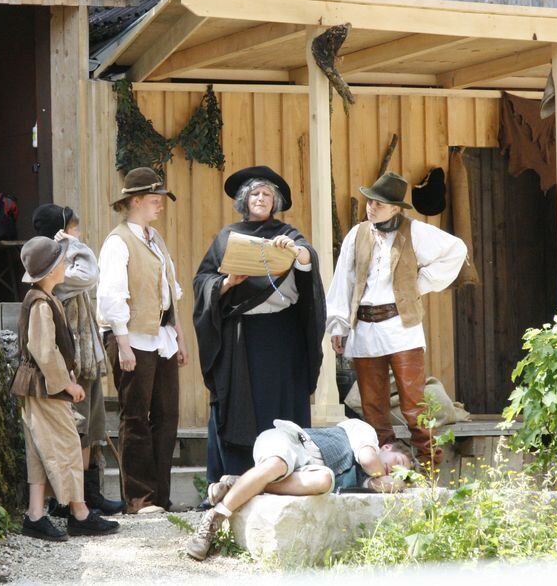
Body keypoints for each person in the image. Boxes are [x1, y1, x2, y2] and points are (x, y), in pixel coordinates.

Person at [193, 166, 326, 487]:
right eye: (255, 193)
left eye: (267, 194)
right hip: (241, 339)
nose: (261, 198)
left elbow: (308, 259)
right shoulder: (227, 237)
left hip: (282, 337)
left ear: (275, 201)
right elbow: (202, 281)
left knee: (280, 406)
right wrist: (227, 283)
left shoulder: (288, 234)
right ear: (244, 200)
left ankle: (283, 476)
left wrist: (296, 251)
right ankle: (234, 479)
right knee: (238, 407)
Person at [326, 172, 467, 467]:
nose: (371, 207)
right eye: (370, 201)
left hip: (401, 327)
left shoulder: (415, 231)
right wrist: (338, 325)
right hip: (364, 328)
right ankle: (386, 467)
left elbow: (456, 250)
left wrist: (420, 283)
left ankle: (429, 467)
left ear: (395, 208)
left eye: (379, 203)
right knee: (373, 407)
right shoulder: (357, 234)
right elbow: (343, 280)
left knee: (414, 404)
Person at [11, 236, 120, 541]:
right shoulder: (41, 303)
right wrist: (68, 386)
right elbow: (44, 351)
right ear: (48, 272)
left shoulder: (45, 298)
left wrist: (67, 380)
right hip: (45, 388)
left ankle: (35, 514)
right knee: (68, 446)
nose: (65, 264)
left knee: (39, 451)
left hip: (38, 387)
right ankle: (80, 514)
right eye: (60, 261)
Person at [186, 417, 413, 561]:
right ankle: (215, 517)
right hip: (289, 441)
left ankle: (239, 484)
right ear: (387, 446)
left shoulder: (368, 481)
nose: (393, 473)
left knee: (325, 480)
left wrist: (384, 484)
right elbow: (367, 460)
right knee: (277, 464)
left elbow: (372, 480)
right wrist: (388, 480)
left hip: (306, 473)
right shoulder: (365, 433)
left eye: (397, 475)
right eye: (399, 464)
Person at [97, 167, 188, 514]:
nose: (160, 206)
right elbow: (110, 299)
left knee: (166, 416)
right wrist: (122, 345)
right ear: (135, 202)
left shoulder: (155, 239)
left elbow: (171, 292)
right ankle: (139, 498)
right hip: (131, 338)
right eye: (154, 200)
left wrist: (179, 338)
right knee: (135, 417)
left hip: (161, 337)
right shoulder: (118, 242)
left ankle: (160, 496)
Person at [31, 203, 126, 515]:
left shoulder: (63, 266)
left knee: (93, 431)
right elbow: (90, 275)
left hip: (87, 360)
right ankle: (72, 503)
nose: (79, 234)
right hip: (71, 365)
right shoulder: (56, 273)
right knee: (78, 432)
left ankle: (89, 494)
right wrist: (70, 244)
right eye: (73, 228)